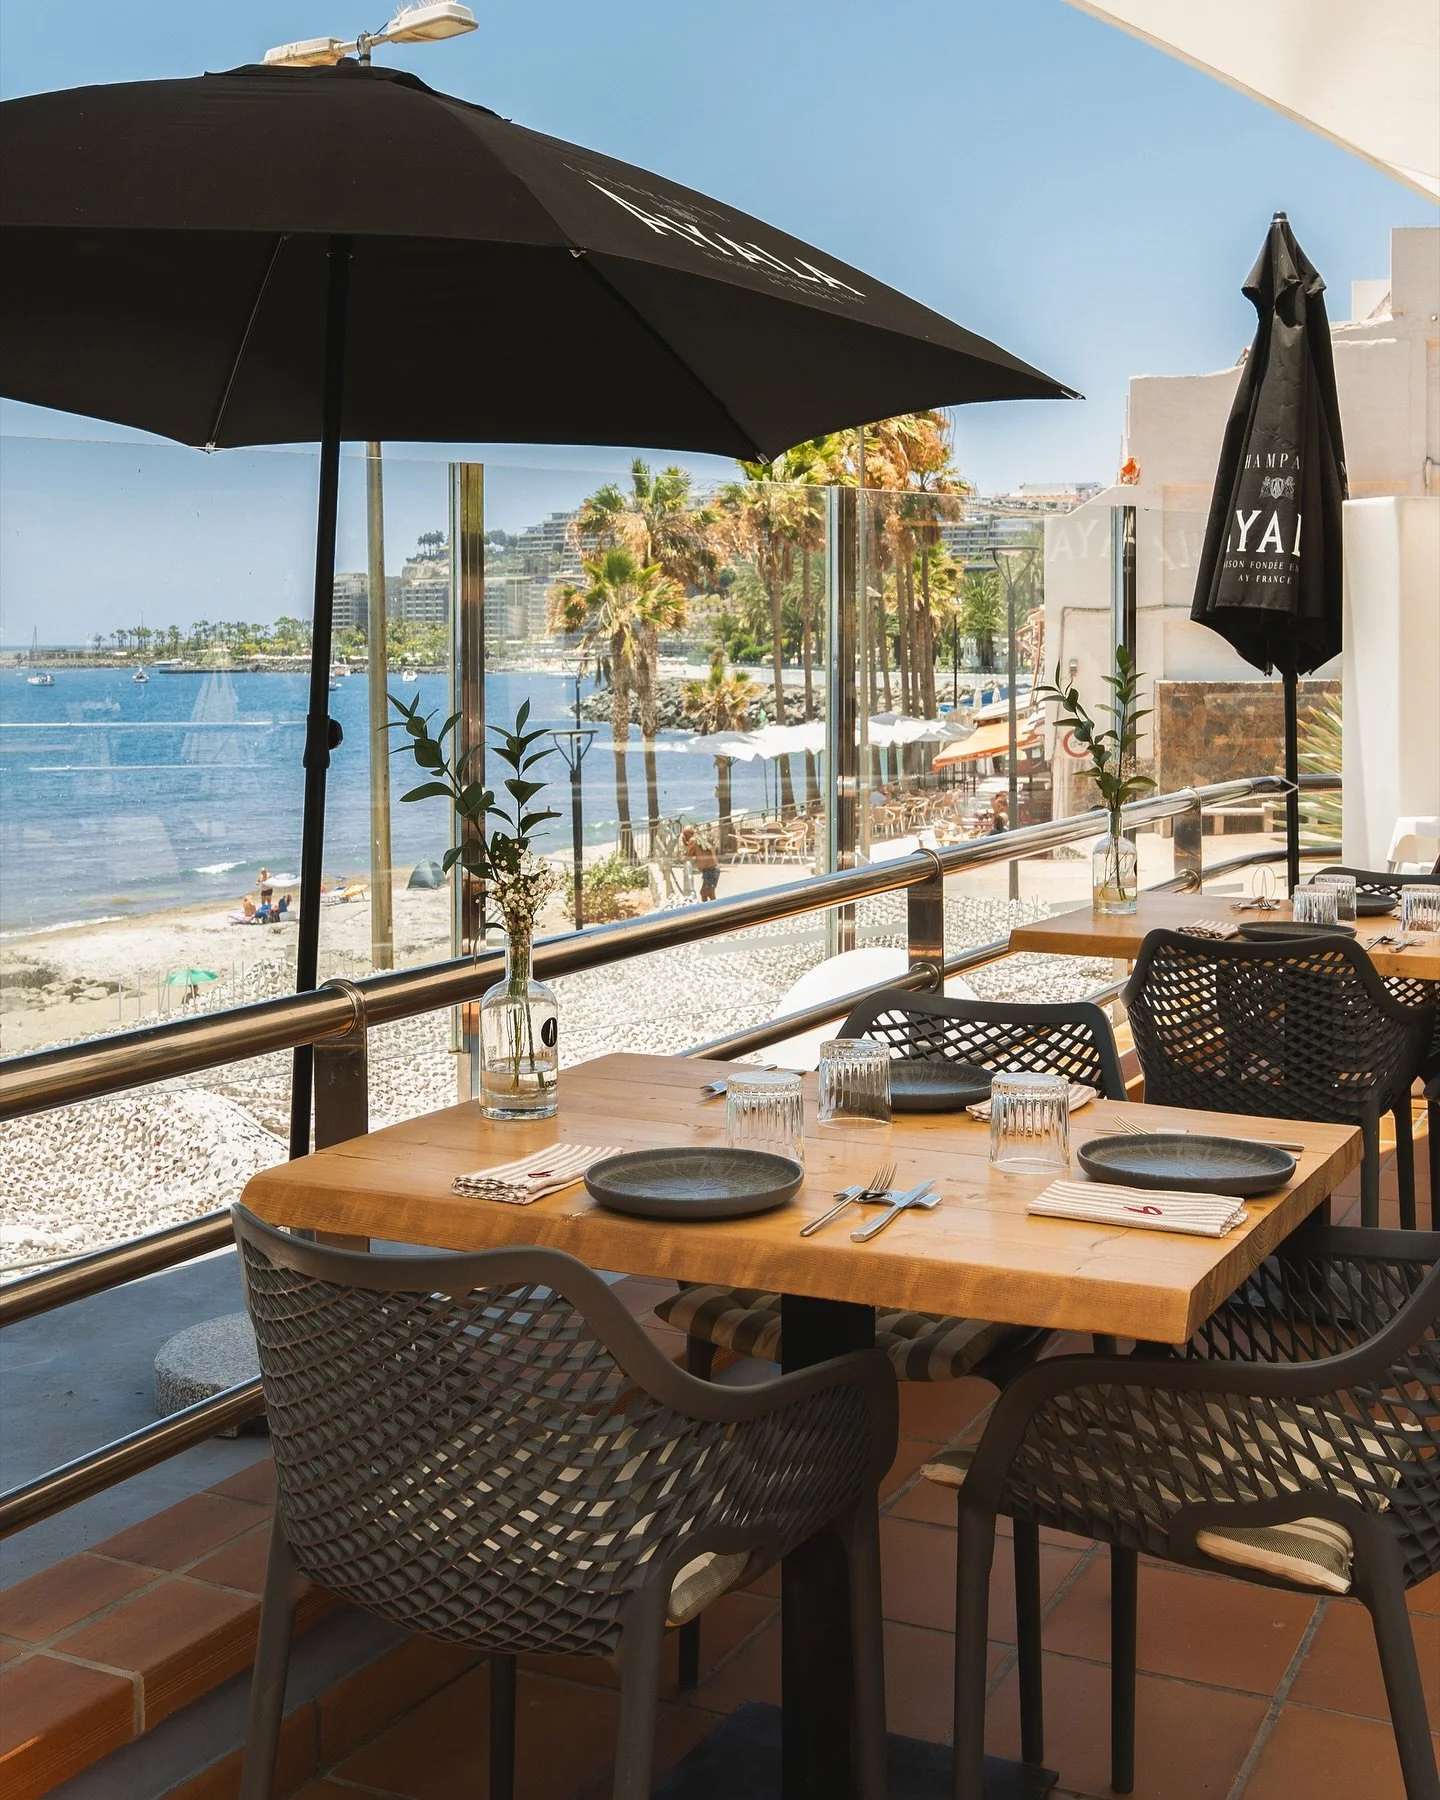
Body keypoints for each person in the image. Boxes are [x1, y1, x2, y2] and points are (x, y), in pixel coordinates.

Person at [682, 826, 720, 902]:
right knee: (704, 893)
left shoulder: (692, 840)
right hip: (712, 869)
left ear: (688, 834)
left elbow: (688, 857)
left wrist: (684, 845)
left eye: (684, 835)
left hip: (710, 870)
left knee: (710, 893)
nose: (684, 837)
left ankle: (715, 911)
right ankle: (706, 910)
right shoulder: (699, 838)